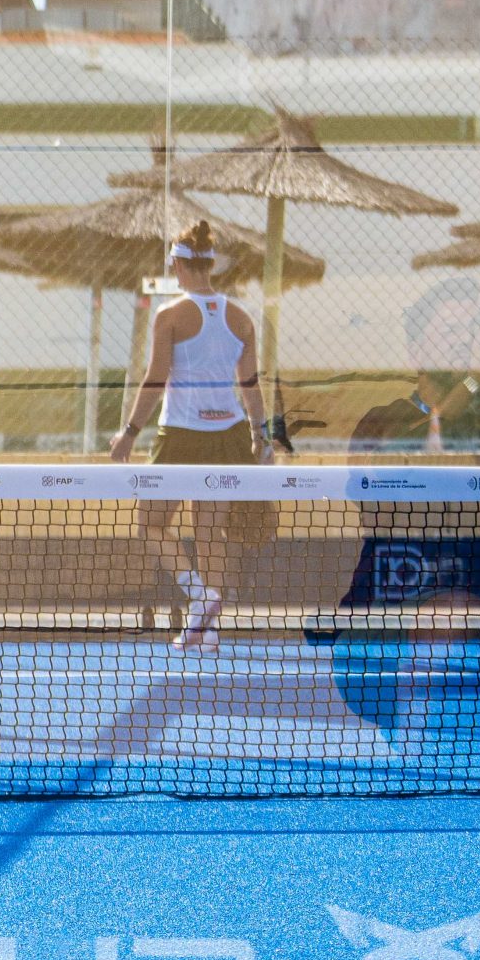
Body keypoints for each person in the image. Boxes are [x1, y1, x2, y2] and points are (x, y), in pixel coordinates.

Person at [110, 219, 274, 651]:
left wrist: (129, 432)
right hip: (229, 436)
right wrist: (260, 436)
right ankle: (207, 626)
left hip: (181, 438)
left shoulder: (169, 315)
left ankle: (200, 598)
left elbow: (155, 379)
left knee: (150, 525)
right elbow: (250, 384)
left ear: (179, 265)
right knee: (209, 533)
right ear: (210, 265)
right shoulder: (241, 318)